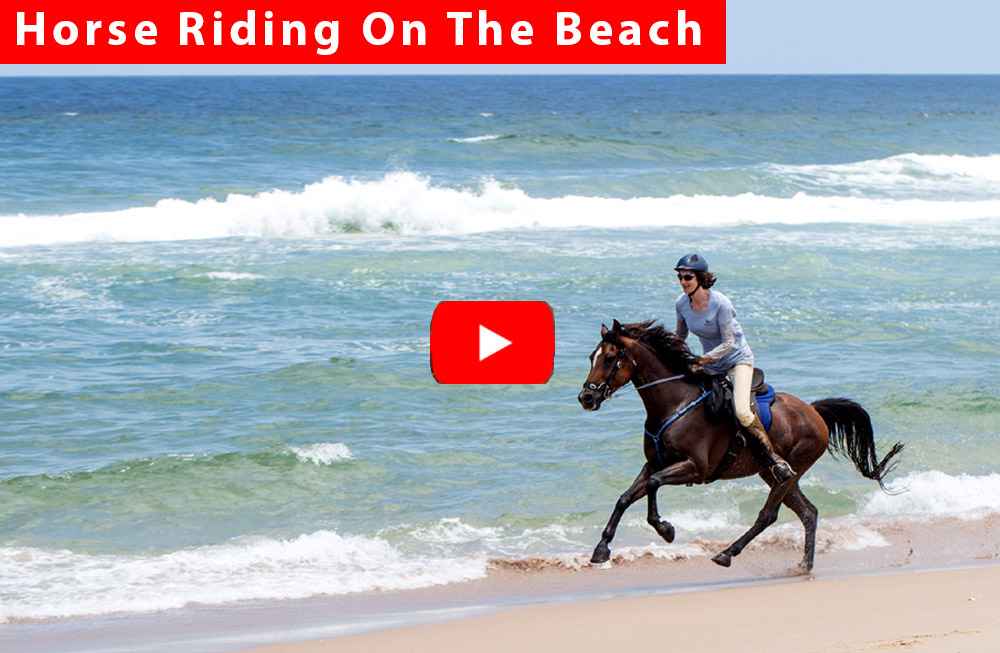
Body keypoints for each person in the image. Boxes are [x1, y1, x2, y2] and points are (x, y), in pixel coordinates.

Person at [673, 253, 794, 483]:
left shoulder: (721, 303)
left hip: (737, 360)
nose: (683, 282)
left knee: (742, 411)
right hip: (711, 364)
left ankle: (774, 460)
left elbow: (728, 343)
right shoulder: (681, 304)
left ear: (700, 278)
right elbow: (680, 336)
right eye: (680, 277)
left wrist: (704, 359)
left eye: (687, 277)